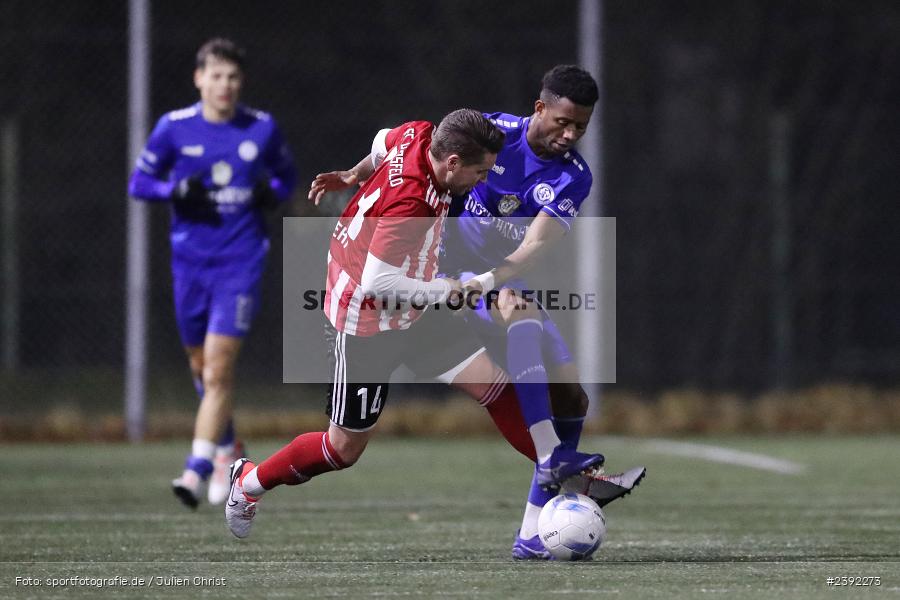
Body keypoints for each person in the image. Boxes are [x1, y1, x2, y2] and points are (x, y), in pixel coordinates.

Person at [309, 65, 645, 560]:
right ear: (539, 108)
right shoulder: (494, 133)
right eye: (562, 122)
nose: (569, 135)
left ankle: (534, 530)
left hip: (490, 277)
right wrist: (357, 175)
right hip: (438, 274)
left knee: (572, 398)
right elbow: (404, 148)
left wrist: (489, 283)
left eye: (581, 127)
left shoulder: (573, 177)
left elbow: (534, 246)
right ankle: (556, 463)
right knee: (524, 324)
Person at [225, 109, 606, 539]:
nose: (482, 182)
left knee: (495, 386)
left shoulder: (422, 133)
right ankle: (248, 483)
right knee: (342, 449)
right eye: (479, 172)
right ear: (452, 164)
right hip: (366, 323)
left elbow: (382, 139)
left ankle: (556, 466)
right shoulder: (412, 201)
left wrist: (355, 173)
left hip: (415, 311)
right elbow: (378, 282)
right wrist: (448, 291)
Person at [127, 38, 298, 509]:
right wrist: (173, 189)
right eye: (216, 75)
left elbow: (287, 175)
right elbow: (139, 183)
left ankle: (196, 468)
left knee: (220, 369)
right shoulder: (173, 128)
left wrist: (273, 191)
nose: (225, 85)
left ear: (241, 83)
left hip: (240, 261)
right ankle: (231, 448)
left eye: (233, 77)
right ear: (199, 78)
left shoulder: (261, 128)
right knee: (202, 370)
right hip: (189, 263)